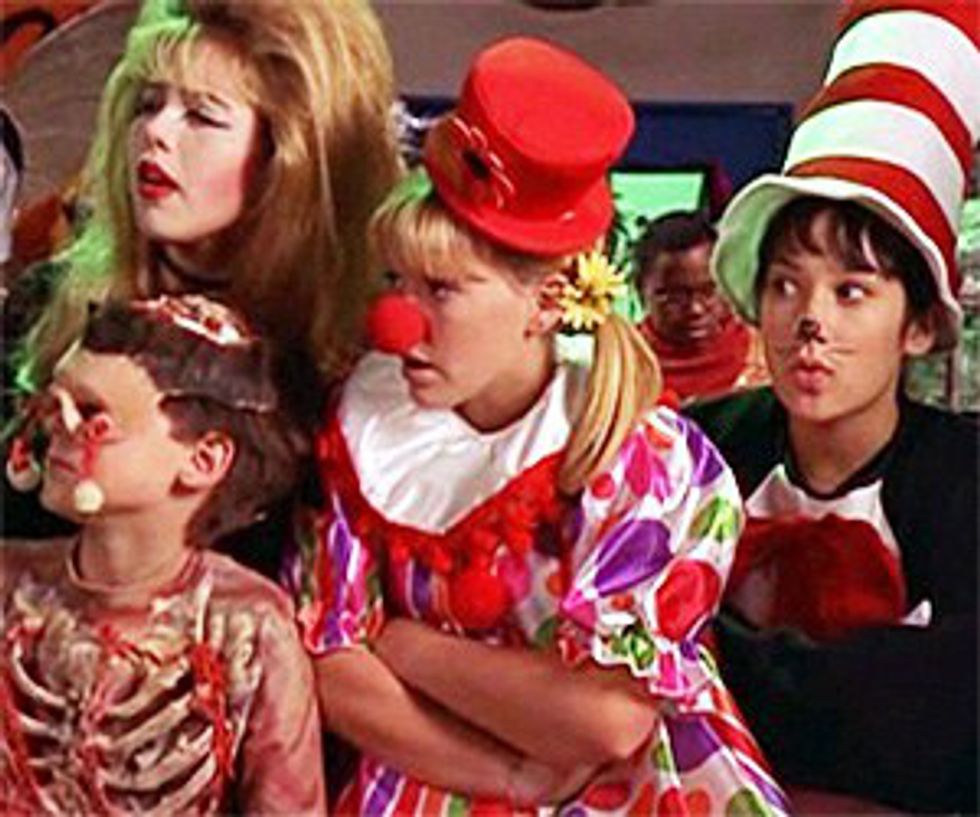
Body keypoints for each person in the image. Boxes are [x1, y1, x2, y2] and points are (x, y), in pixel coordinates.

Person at [286, 37, 790, 815]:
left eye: (441, 289)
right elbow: (327, 664)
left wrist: (402, 643)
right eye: (394, 280)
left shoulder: (645, 457)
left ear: (547, 303)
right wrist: (508, 774)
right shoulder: (362, 427)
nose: (394, 321)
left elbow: (608, 720)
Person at [689, 2, 979, 811]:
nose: (810, 321)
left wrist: (726, 661)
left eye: (852, 291)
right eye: (786, 286)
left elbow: (940, 728)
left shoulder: (965, 483)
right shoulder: (695, 451)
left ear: (917, 326)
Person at [3, 0, 402, 546]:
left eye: (202, 116)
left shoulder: (344, 373)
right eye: (147, 104)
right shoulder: (46, 308)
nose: (156, 132)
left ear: (291, 155)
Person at [1, 294, 325, 814]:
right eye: (52, 403)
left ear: (203, 459)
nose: (57, 427)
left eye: (93, 415)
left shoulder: (247, 626)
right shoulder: (10, 582)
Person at [634, 209, 767, 403]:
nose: (695, 309)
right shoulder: (616, 368)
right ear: (641, 291)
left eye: (709, 292)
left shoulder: (769, 359)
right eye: (674, 297)